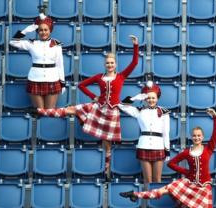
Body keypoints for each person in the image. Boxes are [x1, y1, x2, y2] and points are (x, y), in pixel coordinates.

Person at [37, 35, 139, 176]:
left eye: (112, 63)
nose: (110, 65)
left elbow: (134, 63)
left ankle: (106, 171)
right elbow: (81, 85)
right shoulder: (99, 77)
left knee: (107, 144)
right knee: (73, 109)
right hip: (99, 107)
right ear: (105, 64)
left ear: (115, 64)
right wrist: (94, 97)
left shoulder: (121, 77)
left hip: (112, 112)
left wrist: (135, 46)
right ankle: (41, 111)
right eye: (107, 63)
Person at [120, 108, 216, 208]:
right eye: (194, 135)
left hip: (204, 187)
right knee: (164, 190)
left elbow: (215, 135)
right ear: (191, 137)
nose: (196, 138)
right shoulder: (187, 152)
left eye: (199, 135)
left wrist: (215, 118)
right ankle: (135, 194)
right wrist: (187, 172)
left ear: (202, 137)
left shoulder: (207, 149)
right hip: (190, 184)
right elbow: (170, 163)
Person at [118, 74, 170, 184]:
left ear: (157, 98)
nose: (151, 100)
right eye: (148, 98)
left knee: (157, 180)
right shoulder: (139, 110)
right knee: (147, 179)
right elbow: (121, 105)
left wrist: (167, 150)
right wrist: (135, 98)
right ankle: (147, 201)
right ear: (145, 98)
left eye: (153, 98)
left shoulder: (164, 112)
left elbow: (166, 133)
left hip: (158, 146)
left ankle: (155, 201)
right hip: (144, 145)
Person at [9, 7, 64, 109]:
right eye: (40, 30)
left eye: (46, 30)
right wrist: (26, 30)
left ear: (50, 30)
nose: (43, 32)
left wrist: (62, 82)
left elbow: (60, 65)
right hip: (35, 78)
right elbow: (12, 42)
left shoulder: (56, 44)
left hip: (52, 79)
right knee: (39, 111)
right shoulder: (31, 43)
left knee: (50, 111)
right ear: (37, 31)